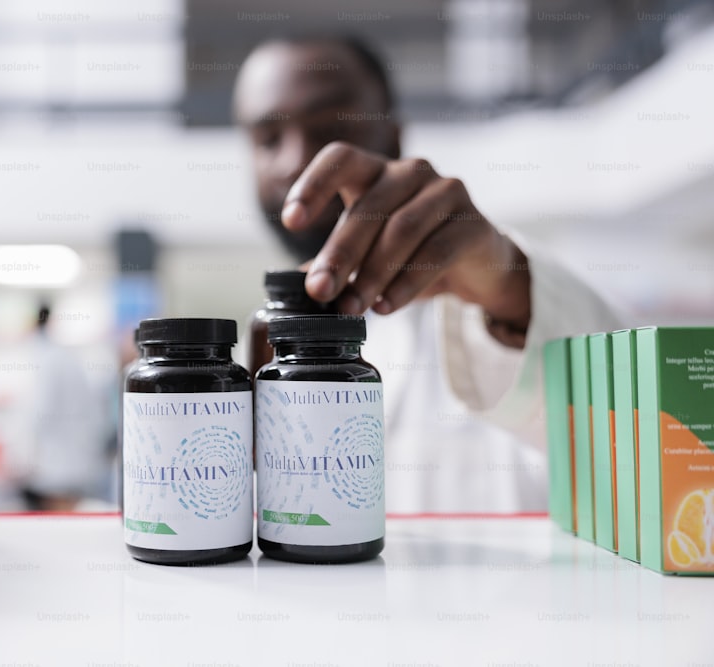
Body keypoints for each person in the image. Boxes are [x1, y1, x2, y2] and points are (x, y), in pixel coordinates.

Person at [233, 35, 624, 512]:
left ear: (394, 138)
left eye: (331, 128)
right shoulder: (257, 341)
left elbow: (630, 432)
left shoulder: (491, 282)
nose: (296, 161)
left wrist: (512, 293)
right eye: (268, 139)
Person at [18, 303, 110, 511]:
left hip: (58, 468)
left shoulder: (49, 359)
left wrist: (24, 456)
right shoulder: (64, 357)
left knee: (62, 516)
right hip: (75, 461)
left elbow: (41, 414)